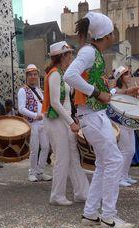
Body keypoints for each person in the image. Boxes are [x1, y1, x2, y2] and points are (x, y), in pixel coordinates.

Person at [64, 12, 134, 228]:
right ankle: (109, 216)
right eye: (112, 32)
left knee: (104, 163)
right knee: (114, 161)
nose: (114, 36)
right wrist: (96, 93)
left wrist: (105, 94)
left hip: (95, 116)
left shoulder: (94, 53)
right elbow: (70, 75)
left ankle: (91, 213)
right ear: (107, 35)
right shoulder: (88, 52)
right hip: (92, 116)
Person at [42, 41, 89, 206]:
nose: (71, 57)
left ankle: (82, 192)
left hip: (64, 119)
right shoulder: (54, 74)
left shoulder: (62, 73)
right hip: (55, 120)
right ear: (62, 56)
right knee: (62, 158)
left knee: (73, 157)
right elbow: (55, 102)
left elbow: (66, 102)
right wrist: (71, 122)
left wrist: (72, 118)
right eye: (69, 54)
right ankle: (56, 195)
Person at [18, 64, 52, 182]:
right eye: (30, 75)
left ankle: (40, 171)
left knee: (46, 147)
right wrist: (34, 116)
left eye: (35, 74)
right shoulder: (22, 90)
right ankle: (31, 172)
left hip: (43, 123)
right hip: (32, 123)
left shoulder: (39, 90)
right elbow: (21, 109)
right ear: (27, 76)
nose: (33, 77)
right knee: (34, 148)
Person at [111, 65, 139, 187]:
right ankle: (118, 178)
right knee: (123, 150)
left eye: (129, 73)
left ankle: (124, 175)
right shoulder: (115, 90)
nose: (129, 75)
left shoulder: (130, 90)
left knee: (131, 151)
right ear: (120, 77)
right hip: (120, 123)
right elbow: (114, 95)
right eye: (126, 73)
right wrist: (128, 91)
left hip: (129, 122)